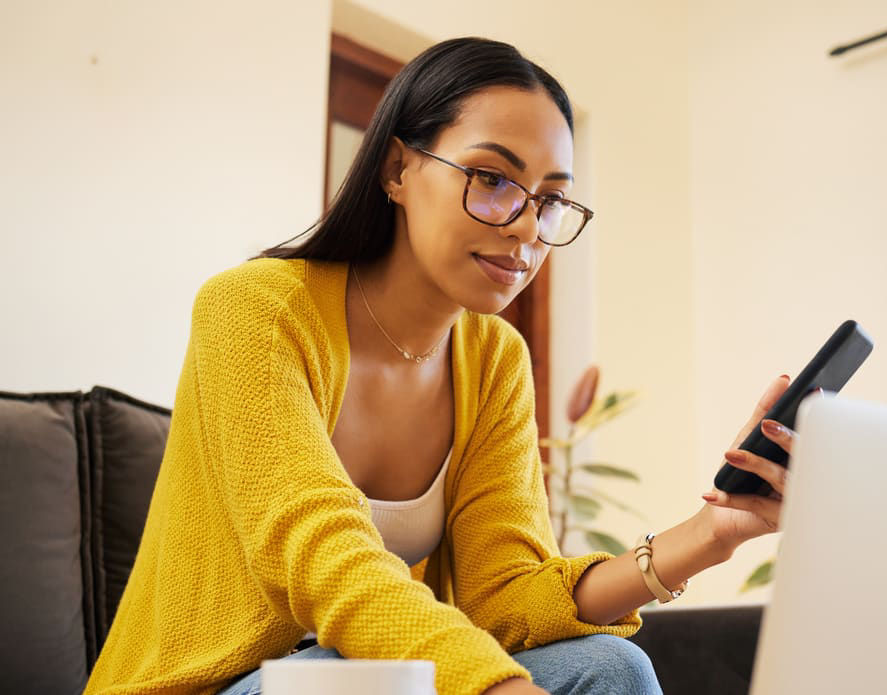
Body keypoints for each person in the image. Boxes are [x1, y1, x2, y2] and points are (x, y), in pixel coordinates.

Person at [83, 37, 795, 695]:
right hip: (216, 683)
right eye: (492, 179)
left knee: (613, 666)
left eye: (549, 199)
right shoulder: (255, 309)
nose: (525, 226)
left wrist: (712, 534)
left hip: (367, 676)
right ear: (397, 168)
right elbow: (326, 560)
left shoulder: (494, 359)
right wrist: (499, 686)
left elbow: (505, 594)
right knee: (352, 676)